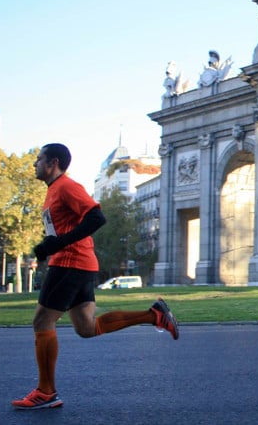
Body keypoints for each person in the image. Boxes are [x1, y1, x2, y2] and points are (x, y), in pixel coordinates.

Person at [11, 143, 180, 410]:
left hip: (71, 262)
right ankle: (154, 315)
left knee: (42, 320)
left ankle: (46, 392)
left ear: (53, 162)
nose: (35, 163)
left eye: (38, 159)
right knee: (87, 328)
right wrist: (51, 245)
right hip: (78, 262)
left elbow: (96, 217)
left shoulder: (67, 186)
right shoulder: (53, 191)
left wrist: (58, 244)